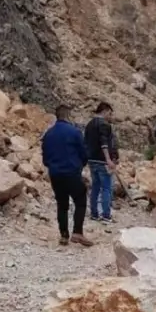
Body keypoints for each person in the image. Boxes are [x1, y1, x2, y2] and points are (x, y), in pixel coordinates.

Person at [42, 105, 94, 246]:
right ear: (68, 116)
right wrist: (79, 165)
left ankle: (64, 235)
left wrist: (52, 166)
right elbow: (84, 153)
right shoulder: (74, 132)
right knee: (80, 199)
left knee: (62, 203)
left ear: (57, 116)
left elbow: (45, 157)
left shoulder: (48, 134)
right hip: (71, 172)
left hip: (55, 173)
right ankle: (77, 232)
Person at [83, 102, 118, 223]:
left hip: (91, 160)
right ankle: (106, 215)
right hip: (102, 161)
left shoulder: (89, 124)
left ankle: (94, 213)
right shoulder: (104, 124)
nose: (110, 116)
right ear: (104, 111)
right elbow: (104, 142)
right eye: (109, 113)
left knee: (95, 187)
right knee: (106, 188)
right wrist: (108, 159)